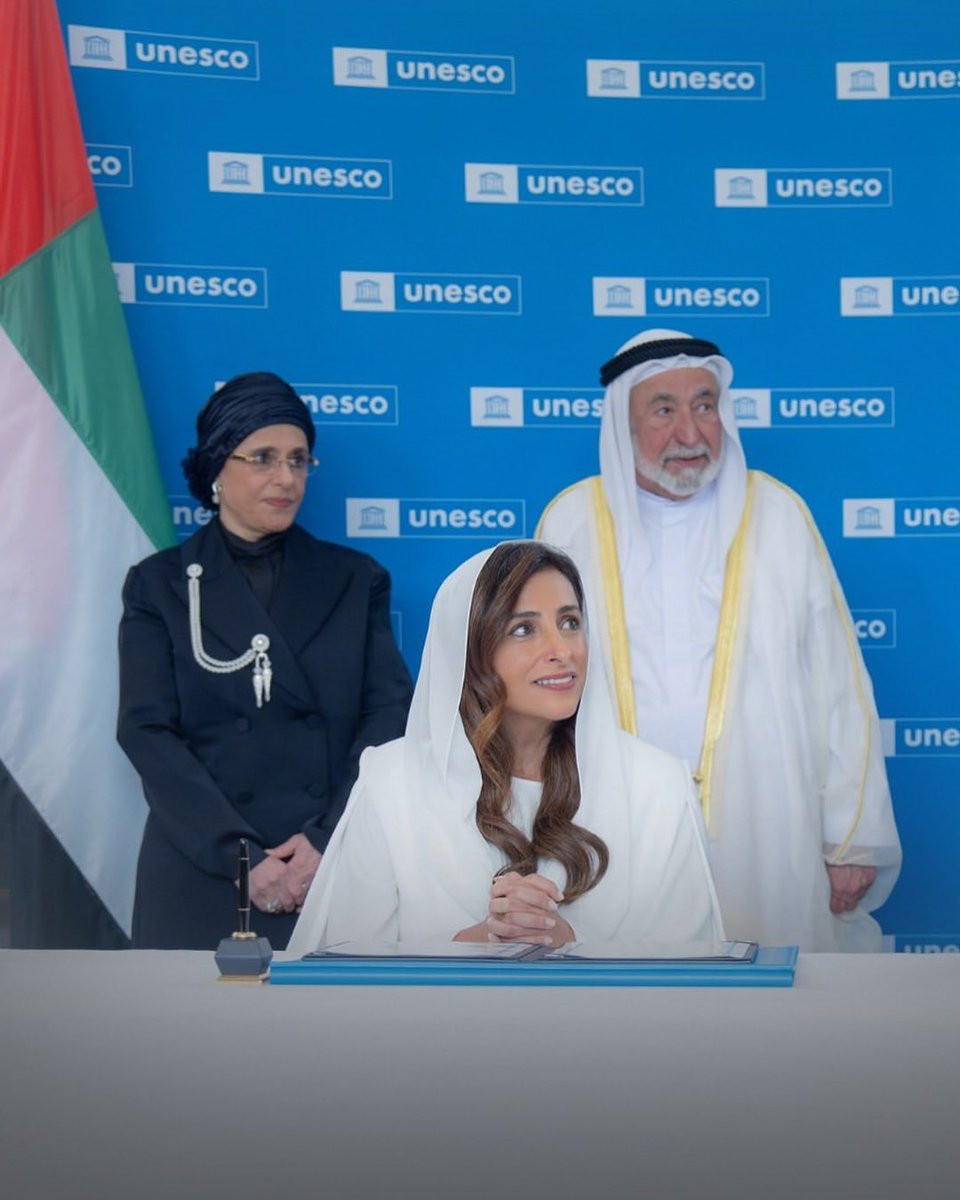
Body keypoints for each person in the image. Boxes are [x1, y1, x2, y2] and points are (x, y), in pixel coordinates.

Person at [536, 328, 901, 952]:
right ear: (622, 423)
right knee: (626, 997)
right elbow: (533, 695)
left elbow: (837, 684)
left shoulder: (779, 516)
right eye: (664, 410)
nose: (690, 432)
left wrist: (852, 838)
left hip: (768, 824)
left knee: (773, 996)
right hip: (610, 824)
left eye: (704, 406)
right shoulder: (570, 523)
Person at [287, 541, 723, 953]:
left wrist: (571, 946)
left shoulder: (660, 787)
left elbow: (692, 980)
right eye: (524, 629)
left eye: (570, 623)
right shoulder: (391, 783)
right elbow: (342, 975)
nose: (562, 650)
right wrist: (479, 942)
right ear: (469, 650)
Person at [117, 372, 412, 949]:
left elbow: (389, 718)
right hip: (201, 868)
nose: (286, 478)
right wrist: (241, 856)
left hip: (327, 865)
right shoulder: (160, 585)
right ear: (216, 467)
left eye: (299, 460)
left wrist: (326, 837)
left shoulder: (356, 579)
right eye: (263, 458)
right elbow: (146, 731)